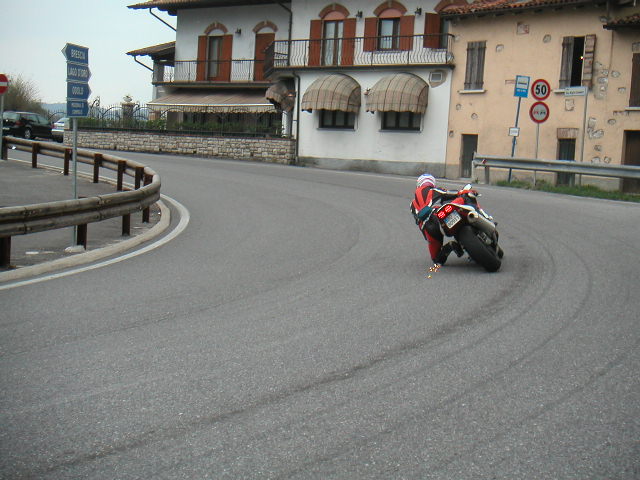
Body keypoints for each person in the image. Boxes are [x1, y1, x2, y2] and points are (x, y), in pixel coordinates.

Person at [410, 173, 464, 265]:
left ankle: (451, 246)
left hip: (428, 228)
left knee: (437, 259)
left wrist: (427, 236)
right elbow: (453, 193)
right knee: (464, 199)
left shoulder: (412, 204)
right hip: (439, 215)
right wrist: (464, 192)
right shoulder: (435, 190)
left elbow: (418, 221)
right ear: (433, 183)